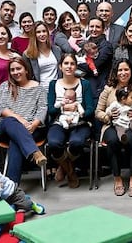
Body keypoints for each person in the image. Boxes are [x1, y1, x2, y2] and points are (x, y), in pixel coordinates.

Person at [95, 59, 132, 197]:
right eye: (120, 70)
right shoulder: (108, 90)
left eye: (126, 69)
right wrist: (108, 116)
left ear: (131, 71)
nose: (123, 73)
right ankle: (117, 178)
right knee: (113, 140)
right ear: (115, 72)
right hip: (113, 125)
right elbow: (98, 112)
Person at [0, 57, 48, 184]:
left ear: (26, 70)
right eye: (12, 69)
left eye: (18, 68)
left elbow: (42, 108)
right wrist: (20, 119)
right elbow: (1, 107)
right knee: (10, 121)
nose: (15, 72)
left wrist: (34, 124)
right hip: (6, 128)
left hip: (31, 129)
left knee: (16, 141)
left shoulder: (38, 88)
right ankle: (34, 152)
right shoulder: (5, 86)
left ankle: (11, 187)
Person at [47, 53, 94, 188]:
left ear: (76, 67)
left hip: (80, 122)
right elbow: (50, 109)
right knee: (54, 143)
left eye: (72, 64)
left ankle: (63, 165)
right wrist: (64, 108)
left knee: (76, 143)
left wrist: (78, 112)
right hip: (59, 121)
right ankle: (71, 171)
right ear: (60, 67)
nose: (69, 66)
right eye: (66, 63)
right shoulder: (53, 84)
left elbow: (90, 108)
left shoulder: (84, 84)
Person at [77, 17, 113, 106]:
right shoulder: (84, 44)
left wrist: (77, 66)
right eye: (91, 26)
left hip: (98, 89)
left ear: (103, 29)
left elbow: (94, 65)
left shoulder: (106, 46)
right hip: (84, 87)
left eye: (97, 27)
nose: (94, 29)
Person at [23, 21, 61, 90]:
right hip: (40, 90)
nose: (42, 34)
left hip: (57, 89)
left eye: (44, 31)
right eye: (38, 32)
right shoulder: (28, 54)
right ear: (34, 35)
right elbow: (28, 77)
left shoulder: (57, 50)